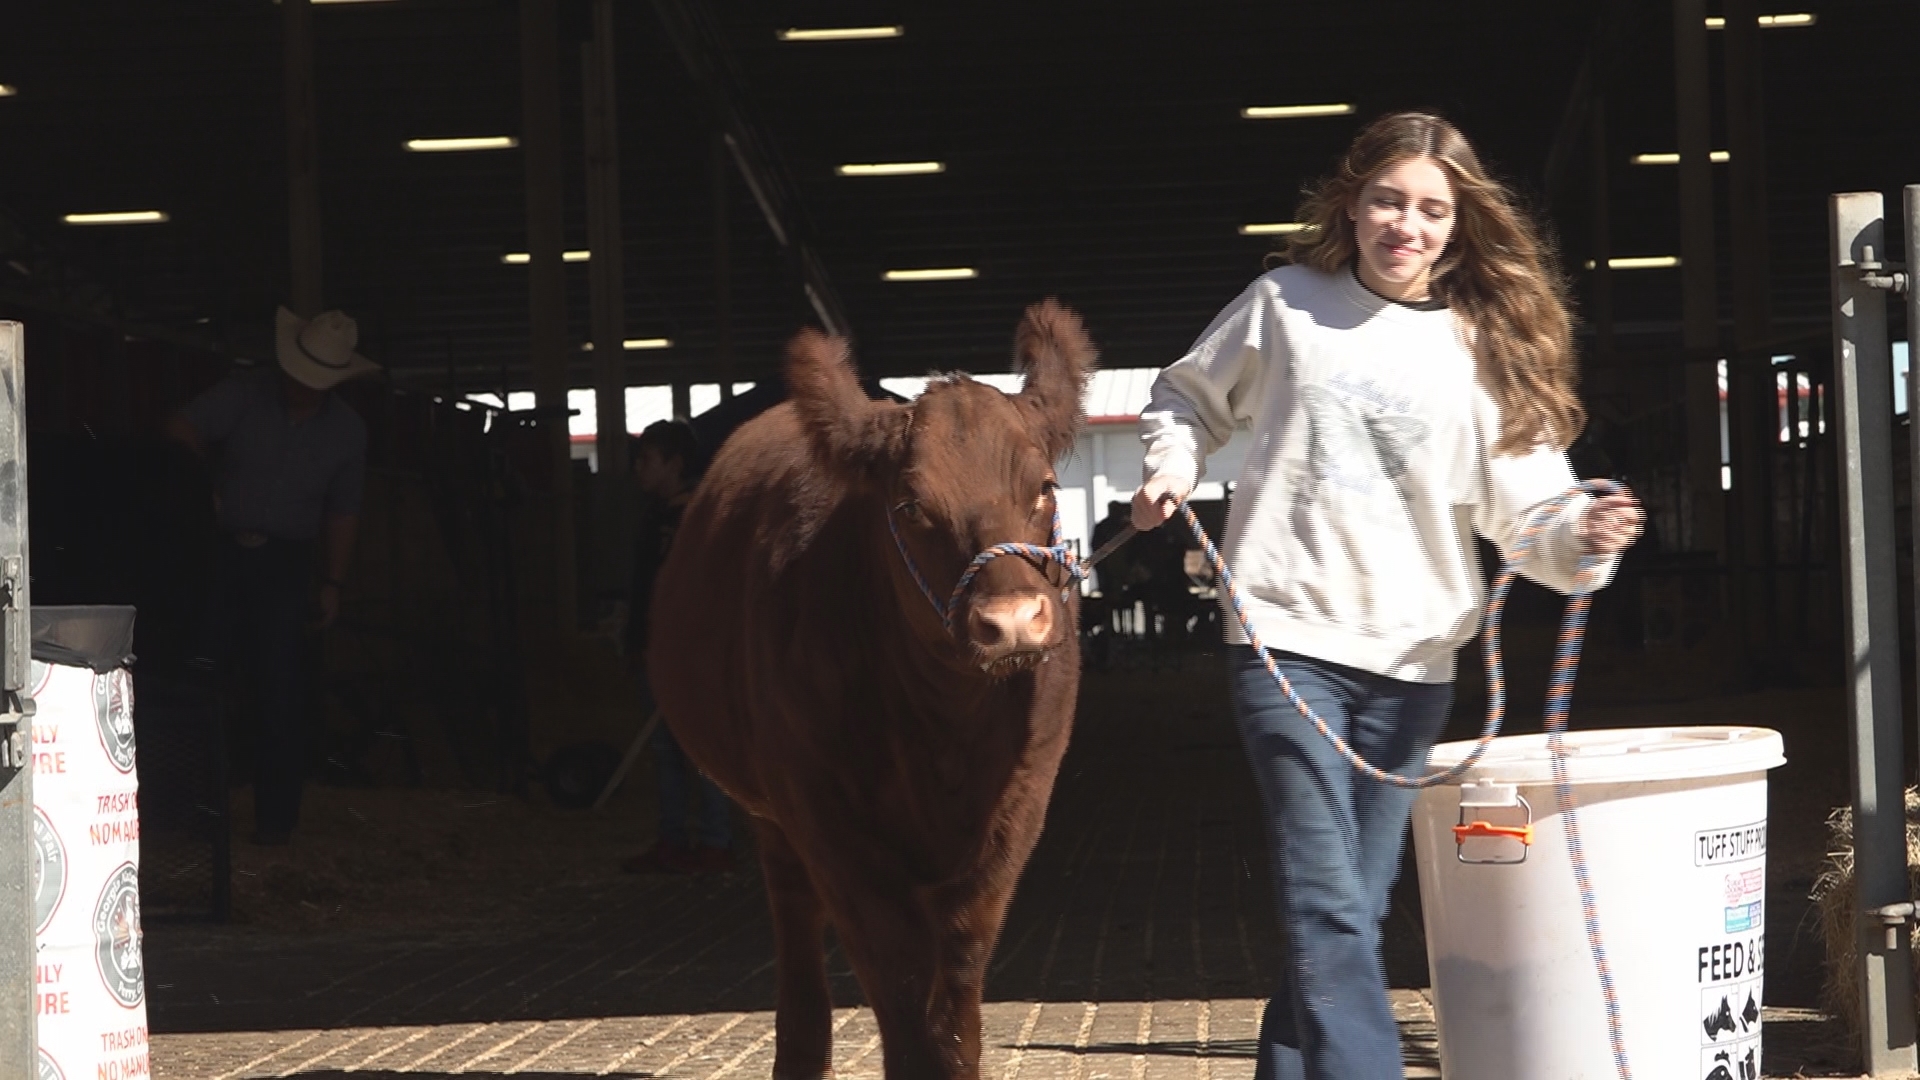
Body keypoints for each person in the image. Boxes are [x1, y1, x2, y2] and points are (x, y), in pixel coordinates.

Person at [1132, 113, 1643, 1080]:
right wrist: (1169, 463)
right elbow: (1186, 399)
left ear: (1458, 225)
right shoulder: (1285, 304)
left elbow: (1529, 514)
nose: (1406, 224)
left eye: (1430, 209)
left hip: (1414, 666)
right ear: (1352, 203)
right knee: (1327, 900)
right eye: (1388, 200)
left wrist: (1583, 535)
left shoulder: (1478, 348)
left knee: (1350, 912)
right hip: (1284, 642)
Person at [166, 306, 377, 846]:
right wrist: (197, 479)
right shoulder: (246, 393)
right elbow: (181, 426)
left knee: (279, 690)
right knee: (197, 674)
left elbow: (343, 512)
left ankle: (274, 824)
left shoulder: (348, 434)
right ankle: (183, 810)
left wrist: (332, 583)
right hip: (222, 553)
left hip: (285, 562)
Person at [620, 419, 734, 874]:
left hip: (685, 654)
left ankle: (714, 842)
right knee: (667, 749)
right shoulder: (659, 515)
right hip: (658, 650)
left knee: (699, 749)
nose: (637, 469)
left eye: (646, 459)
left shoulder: (693, 518)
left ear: (674, 463)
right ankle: (674, 839)